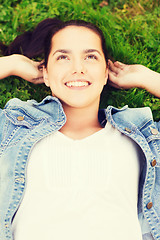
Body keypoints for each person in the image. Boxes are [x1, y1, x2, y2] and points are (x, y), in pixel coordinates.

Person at [0, 18, 160, 240]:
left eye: (91, 57)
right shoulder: (11, 130)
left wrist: (146, 77)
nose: (78, 68)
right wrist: (12, 64)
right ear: (45, 73)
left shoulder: (142, 137)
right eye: (63, 57)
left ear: (106, 73)